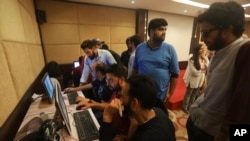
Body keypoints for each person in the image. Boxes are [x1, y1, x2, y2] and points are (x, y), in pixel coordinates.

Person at [186, 1, 250, 141]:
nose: (202, 38)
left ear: (227, 29)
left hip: (214, 134)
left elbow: (244, 105)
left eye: (205, 32)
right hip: (199, 122)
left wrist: (227, 135)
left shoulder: (245, 50)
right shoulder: (220, 50)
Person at [99, 74, 176, 141]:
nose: (119, 100)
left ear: (134, 103)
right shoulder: (158, 112)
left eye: (122, 96)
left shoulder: (147, 137)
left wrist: (107, 115)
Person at [133, 18, 180, 102]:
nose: (164, 32)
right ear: (151, 31)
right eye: (161, 29)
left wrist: (170, 93)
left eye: (165, 29)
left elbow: (175, 74)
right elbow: (135, 69)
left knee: (157, 114)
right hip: (141, 92)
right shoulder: (140, 48)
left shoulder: (170, 49)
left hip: (160, 95)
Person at [182, 44, 209, 114]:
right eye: (200, 49)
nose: (202, 50)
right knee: (189, 93)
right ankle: (184, 107)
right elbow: (194, 72)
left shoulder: (204, 58)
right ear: (197, 50)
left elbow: (208, 67)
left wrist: (205, 60)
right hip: (193, 79)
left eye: (203, 48)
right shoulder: (192, 58)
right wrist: (202, 71)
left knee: (194, 94)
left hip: (200, 79)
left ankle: (190, 106)